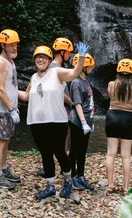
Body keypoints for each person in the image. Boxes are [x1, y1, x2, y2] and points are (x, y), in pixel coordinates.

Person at [20, 42, 89, 199]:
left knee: (60, 152)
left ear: (49, 59)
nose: (41, 60)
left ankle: (68, 181)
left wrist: (82, 58)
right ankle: (50, 186)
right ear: (34, 60)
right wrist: (5, 89)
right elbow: (25, 96)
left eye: (44, 57)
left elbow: (74, 73)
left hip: (57, 122)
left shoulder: (56, 72)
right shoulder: (33, 77)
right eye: (38, 57)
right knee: (45, 154)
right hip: (36, 122)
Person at [35, 37, 75, 177]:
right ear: (62, 52)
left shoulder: (57, 67)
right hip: (57, 110)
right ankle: (58, 170)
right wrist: (72, 103)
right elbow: (56, 92)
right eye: (68, 52)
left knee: (60, 143)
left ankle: (59, 169)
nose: (70, 55)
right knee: (57, 144)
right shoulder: (53, 68)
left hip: (60, 109)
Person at [0, 28, 22, 189]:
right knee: (1, 141)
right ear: (3, 45)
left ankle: (3, 168)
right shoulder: (0, 62)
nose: (15, 48)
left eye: (16, 44)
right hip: (3, 109)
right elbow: (0, 89)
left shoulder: (11, 61)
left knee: (6, 140)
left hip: (11, 108)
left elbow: (12, 86)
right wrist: (11, 109)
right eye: (11, 45)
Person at [105, 58, 132, 194]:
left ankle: (110, 185)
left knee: (111, 153)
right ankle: (125, 187)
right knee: (126, 155)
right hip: (128, 118)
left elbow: (110, 96)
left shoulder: (111, 85)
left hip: (112, 116)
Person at [68, 52, 96, 191]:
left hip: (86, 121)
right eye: (89, 66)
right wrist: (84, 122)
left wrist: (91, 122)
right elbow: (77, 103)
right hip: (77, 121)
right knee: (74, 150)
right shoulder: (75, 82)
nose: (91, 68)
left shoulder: (85, 81)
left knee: (82, 150)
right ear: (83, 66)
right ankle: (72, 177)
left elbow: (89, 102)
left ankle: (81, 176)